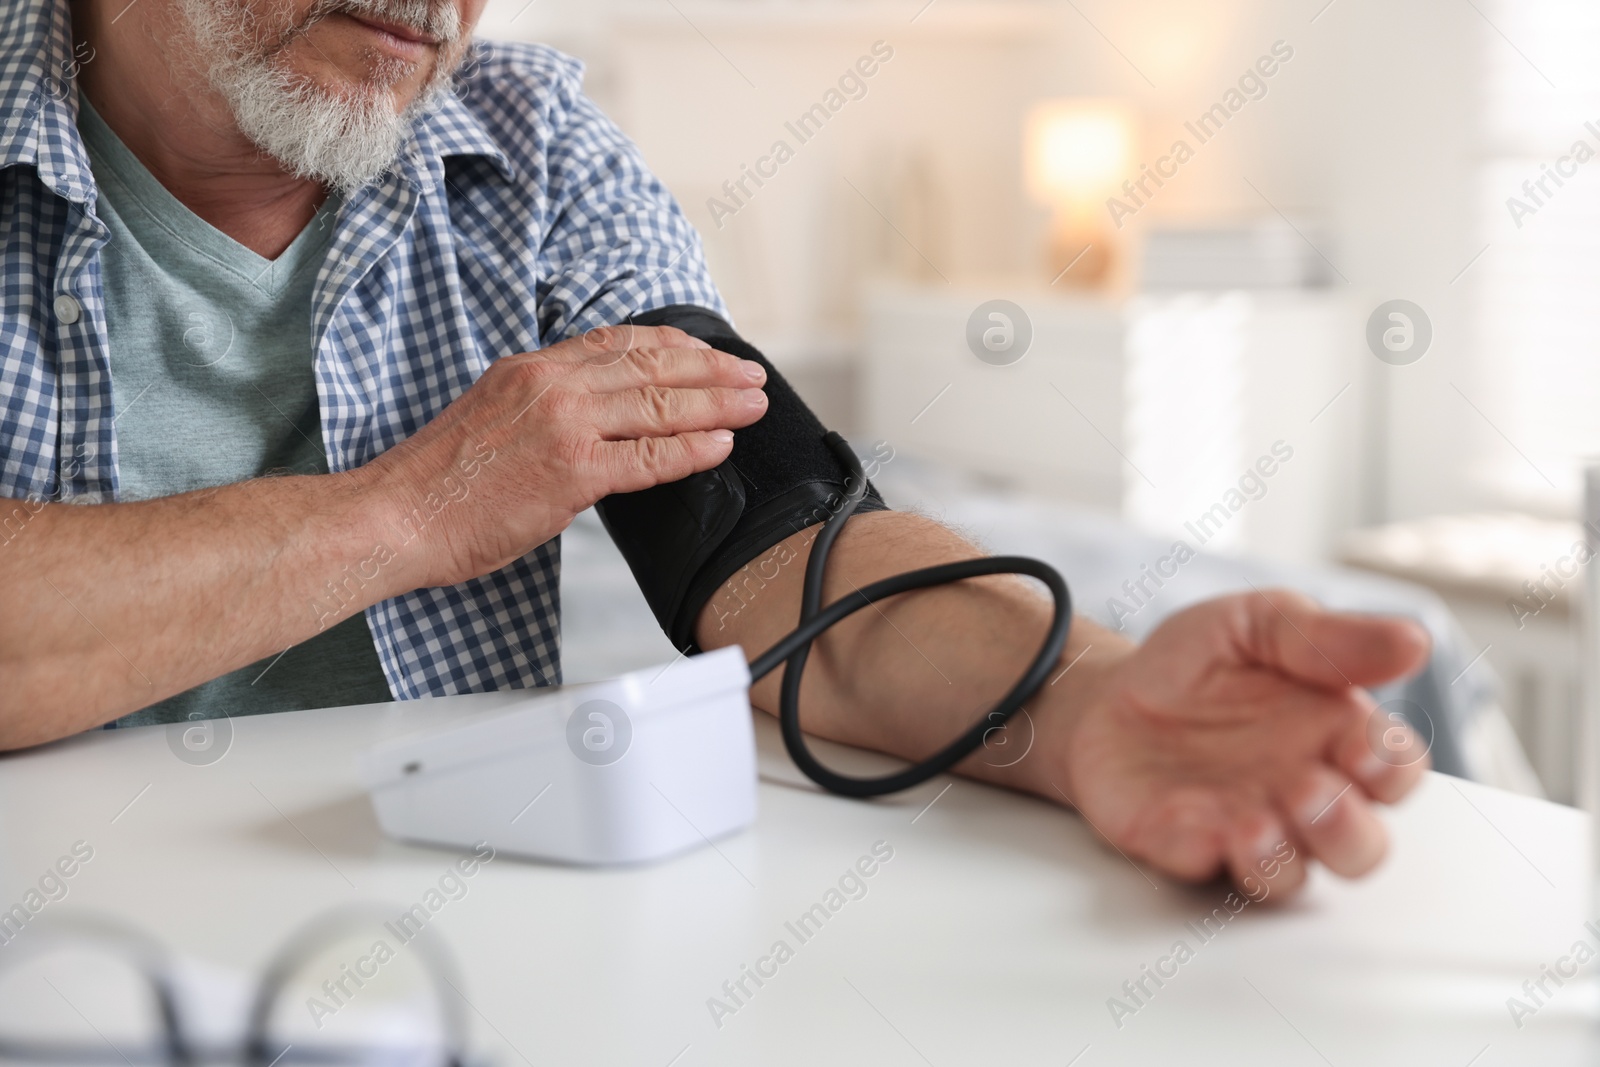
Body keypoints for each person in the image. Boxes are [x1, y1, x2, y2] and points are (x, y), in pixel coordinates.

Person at [0, 0, 1433, 897]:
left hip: (445, 932)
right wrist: (416, 510)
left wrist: (1084, 699)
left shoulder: (536, 142)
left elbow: (772, 534)